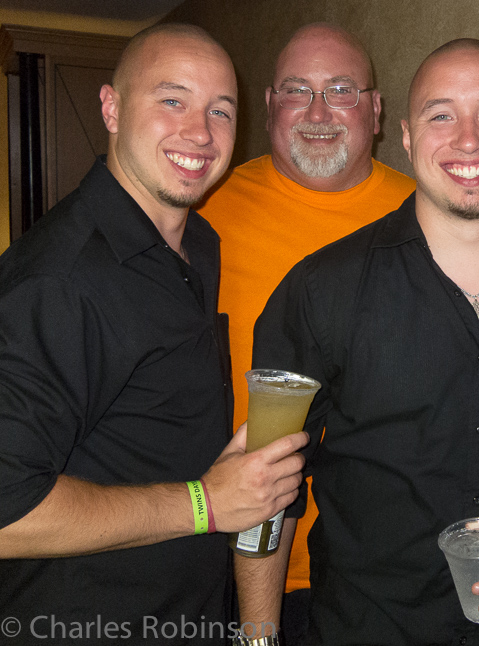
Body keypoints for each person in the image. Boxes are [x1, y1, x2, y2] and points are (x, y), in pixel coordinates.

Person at [236, 39, 479, 646]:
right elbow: (263, 493)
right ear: (409, 138)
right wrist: (257, 640)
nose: (468, 139)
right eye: (442, 114)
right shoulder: (320, 291)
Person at [0, 23, 307, 645]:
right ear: (111, 108)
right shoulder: (59, 279)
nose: (200, 132)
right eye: (172, 100)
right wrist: (206, 503)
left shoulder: (198, 243)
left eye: (220, 110)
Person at [197, 22, 415, 639]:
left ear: (375, 111)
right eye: (297, 90)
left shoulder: (424, 221)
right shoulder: (205, 210)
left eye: (342, 90)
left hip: (365, 572)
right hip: (217, 553)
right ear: (268, 107)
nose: (318, 112)